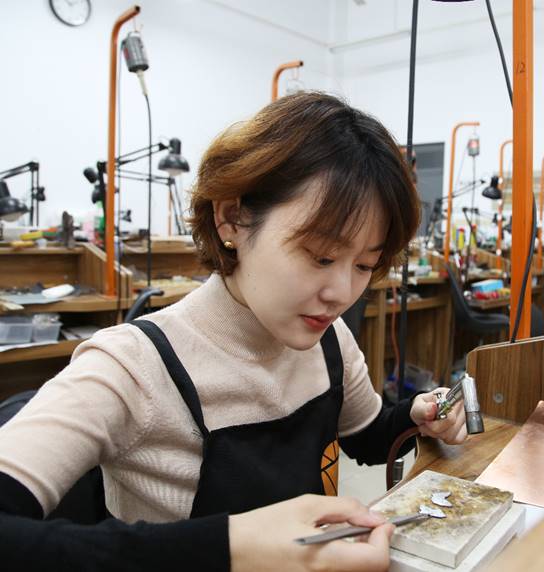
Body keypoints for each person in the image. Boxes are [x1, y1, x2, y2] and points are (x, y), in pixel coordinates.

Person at [0, 91, 465, 570]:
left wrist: (416, 415)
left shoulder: (329, 340)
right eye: (322, 257)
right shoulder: (131, 367)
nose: (342, 293)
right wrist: (232, 547)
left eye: (365, 265)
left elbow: (365, 436)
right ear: (231, 220)